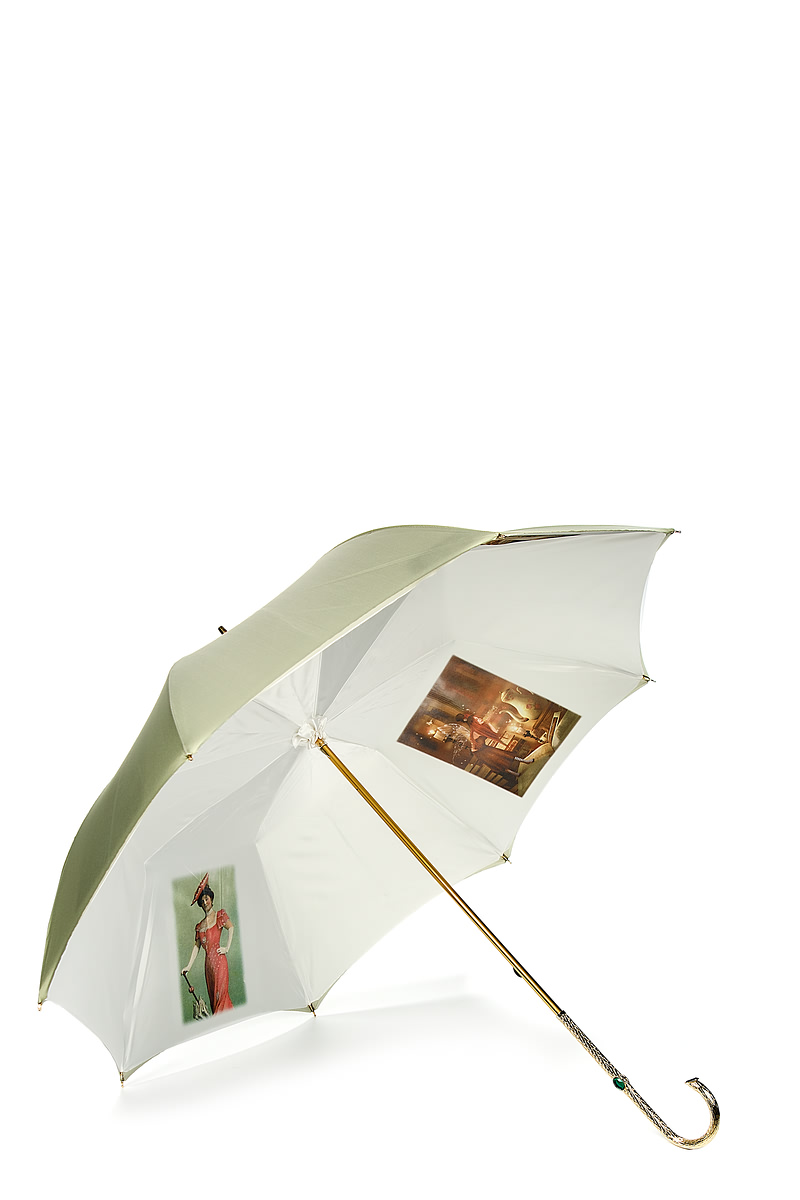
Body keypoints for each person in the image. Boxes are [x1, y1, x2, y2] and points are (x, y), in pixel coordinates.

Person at [181, 873, 235, 1014]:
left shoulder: (219, 915)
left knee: (221, 998)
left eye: (207, 899)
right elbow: (196, 947)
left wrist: (226, 948)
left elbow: (231, 927)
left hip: (219, 962)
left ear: (211, 899)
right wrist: (188, 966)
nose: (205, 903)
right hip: (208, 967)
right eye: (202, 901)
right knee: (214, 1002)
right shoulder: (200, 926)